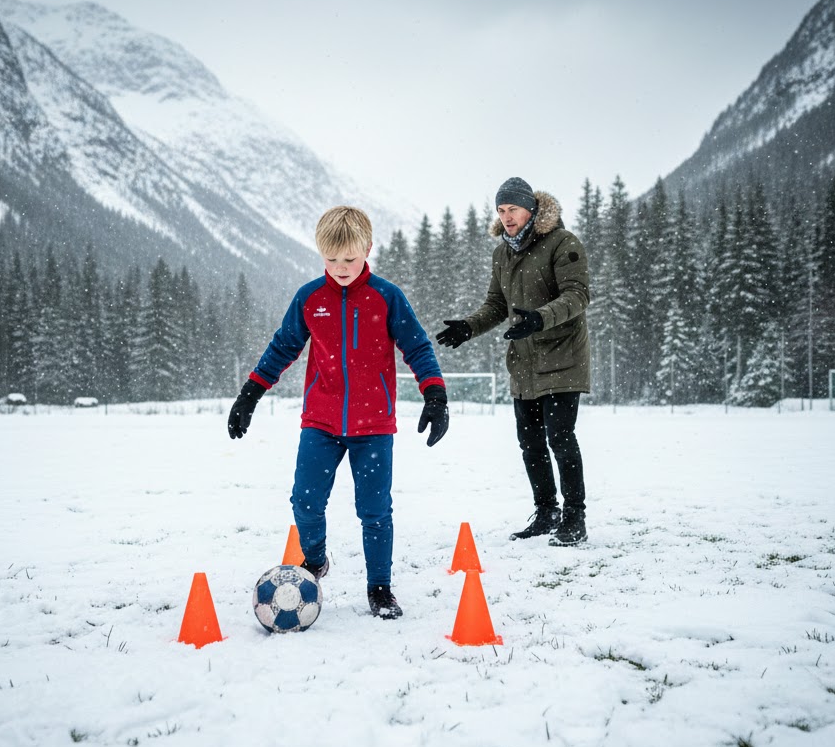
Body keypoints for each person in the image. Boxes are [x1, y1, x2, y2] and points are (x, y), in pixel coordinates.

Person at [228, 205, 448, 619]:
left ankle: (380, 588)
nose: (341, 268)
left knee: (375, 511)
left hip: (374, 424)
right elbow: (283, 347)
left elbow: (417, 346)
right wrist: (250, 394)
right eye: (331, 259)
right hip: (322, 421)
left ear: (368, 249)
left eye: (349, 258)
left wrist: (434, 394)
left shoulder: (386, 297)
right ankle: (315, 561)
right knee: (305, 501)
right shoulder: (310, 298)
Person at [436, 176, 591, 546]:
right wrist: (469, 327)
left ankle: (575, 518)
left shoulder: (562, 243)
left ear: (531, 209)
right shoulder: (502, 254)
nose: (507, 217)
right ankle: (546, 512)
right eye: (501, 210)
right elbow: (496, 305)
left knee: (561, 438)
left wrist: (540, 318)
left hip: (562, 358)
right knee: (530, 443)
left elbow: (578, 295)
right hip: (524, 363)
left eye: (513, 209)